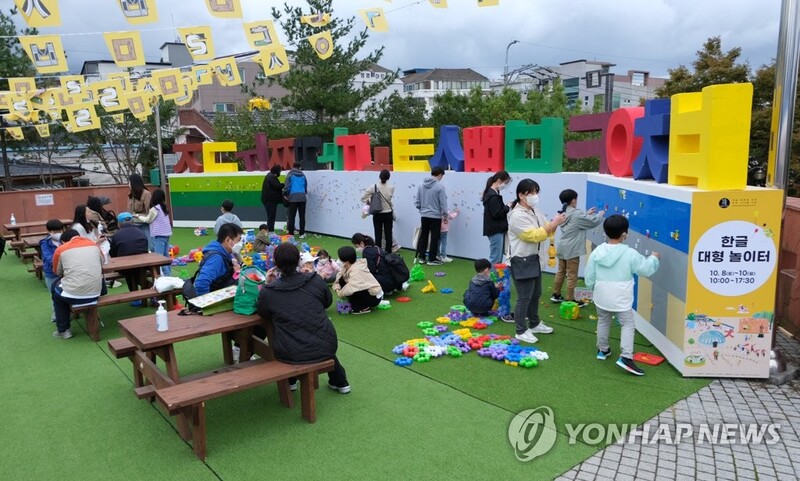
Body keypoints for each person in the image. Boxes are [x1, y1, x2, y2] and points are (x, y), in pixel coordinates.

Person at [257, 243, 350, 393]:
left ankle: (291, 381)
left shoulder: (269, 291)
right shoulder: (315, 280)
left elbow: (263, 312)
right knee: (311, 333)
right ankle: (341, 382)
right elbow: (327, 302)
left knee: (288, 330)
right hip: (326, 344)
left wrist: (267, 283)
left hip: (289, 352)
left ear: (276, 264)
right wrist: (312, 277)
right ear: (298, 261)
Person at [585, 215, 660, 376]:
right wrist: (654, 258)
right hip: (621, 296)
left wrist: (591, 288)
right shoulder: (630, 253)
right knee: (627, 324)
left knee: (604, 320)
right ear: (624, 235)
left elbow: (589, 274)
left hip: (601, 294)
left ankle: (603, 350)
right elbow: (645, 269)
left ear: (605, 232)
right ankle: (626, 357)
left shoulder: (598, 251)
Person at [507, 179, 566, 344]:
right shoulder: (517, 215)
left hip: (535, 258)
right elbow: (534, 235)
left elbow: (546, 227)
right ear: (521, 195)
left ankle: (534, 323)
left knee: (536, 293)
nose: (535, 196)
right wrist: (553, 224)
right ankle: (520, 330)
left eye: (536, 192)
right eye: (531, 193)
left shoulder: (534, 210)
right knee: (524, 297)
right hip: (521, 259)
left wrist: (556, 222)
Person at [551, 188, 605, 306]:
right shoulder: (576, 214)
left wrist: (587, 214)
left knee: (561, 271)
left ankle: (556, 295)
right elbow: (593, 222)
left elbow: (577, 220)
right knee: (572, 275)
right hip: (572, 249)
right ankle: (570, 299)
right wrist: (600, 215)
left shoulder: (562, 212)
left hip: (562, 246)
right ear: (574, 200)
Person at [51, 229, 105, 339]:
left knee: (55, 289)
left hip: (74, 294)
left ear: (63, 242)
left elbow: (57, 272)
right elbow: (102, 262)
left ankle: (64, 330)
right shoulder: (94, 245)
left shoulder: (61, 249)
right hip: (96, 292)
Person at [191, 223, 244, 297]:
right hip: (215, 299)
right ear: (228, 240)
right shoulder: (216, 258)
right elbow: (201, 283)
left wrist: (236, 255)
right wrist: (208, 305)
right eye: (238, 240)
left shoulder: (225, 253)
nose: (240, 244)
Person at [333, 246, 382, 315]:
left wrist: (340, 293)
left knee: (353, 288)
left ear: (346, 261)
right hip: (366, 291)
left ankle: (364, 307)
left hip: (374, 297)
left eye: (340, 259)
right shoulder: (347, 266)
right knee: (342, 280)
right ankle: (357, 303)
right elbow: (338, 278)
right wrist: (337, 288)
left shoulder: (357, 271)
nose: (338, 260)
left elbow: (351, 287)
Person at [414, 166, 448, 266]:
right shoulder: (440, 186)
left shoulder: (421, 185)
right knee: (434, 237)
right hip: (436, 216)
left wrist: (422, 210)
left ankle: (422, 257)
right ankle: (432, 259)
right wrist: (445, 215)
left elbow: (417, 202)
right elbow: (443, 203)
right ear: (440, 175)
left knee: (424, 236)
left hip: (424, 215)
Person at [109, 212, 149, 294]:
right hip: (143, 266)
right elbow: (145, 248)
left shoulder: (117, 235)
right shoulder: (141, 232)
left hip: (125, 268)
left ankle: (134, 295)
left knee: (128, 273)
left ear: (119, 223)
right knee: (139, 273)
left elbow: (112, 253)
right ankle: (147, 293)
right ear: (132, 221)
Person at [136, 188, 173, 276]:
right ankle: (169, 274)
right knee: (165, 255)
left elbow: (148, 220)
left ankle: (167, 276)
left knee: (159, 257)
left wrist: (138, 216)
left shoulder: (154, 209)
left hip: (158, 235)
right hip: (166, 234)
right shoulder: (164, 208)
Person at [361, 169, 394, 251]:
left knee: (378, 234)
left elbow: (362, 197)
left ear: (379, 176)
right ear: (388, 178)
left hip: (377, 213)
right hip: (388, 213)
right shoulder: (392, 188)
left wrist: (370, 200)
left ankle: (378, 253)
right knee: (388, 234)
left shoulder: (374, 187)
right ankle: (388, 252)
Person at [482, 171, 511, 264]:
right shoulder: (493, 196)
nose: (505, 185)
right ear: (498, 180)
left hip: (494, 229)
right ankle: (492, 278)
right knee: (496, 258)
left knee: (497, 257)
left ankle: (494, 277)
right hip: (495, 229)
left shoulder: (491, 193)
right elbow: (497, 214)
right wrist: (507, 207)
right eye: (505, 183)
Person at [40, 219, 65, 322]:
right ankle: (56, 315)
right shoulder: (45, 243)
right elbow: (47, 258)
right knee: (54, 295)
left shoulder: (65, 240)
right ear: (49, 232)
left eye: (60, 231)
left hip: (64, 271)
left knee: (65, 292)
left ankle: (67, 312)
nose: (58, 234)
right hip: (51, 273)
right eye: (55, 232)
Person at [283, 161, 308, 238]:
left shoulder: (290, 174)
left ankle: (291, 233)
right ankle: (302, 233)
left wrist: (286, 194)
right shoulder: (303, 175)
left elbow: (286, 186)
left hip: (293, 197)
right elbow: (305, 185)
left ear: (293, 167)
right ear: (299, 167)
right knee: (302, 216)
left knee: (292, 216)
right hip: (302, 197)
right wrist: (305, 192)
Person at [127, 173, 152, 249]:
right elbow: (129, 210)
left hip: (144, 224)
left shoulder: (146, 194)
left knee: (150, 245)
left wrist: (140, 217)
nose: (128, 185)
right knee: (136, 245)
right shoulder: (131, 195)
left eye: (129, 182)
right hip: (133, 224)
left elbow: (149, 211)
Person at [261, 165, 284, 233]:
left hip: (268, 200)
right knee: (271, 216)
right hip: (270, 200)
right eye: (279, 171)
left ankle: (270, 230)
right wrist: (283, 184)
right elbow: (277, 186)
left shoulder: (269, 176)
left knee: (270, 216)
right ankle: (270, 231)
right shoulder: (272, 177)